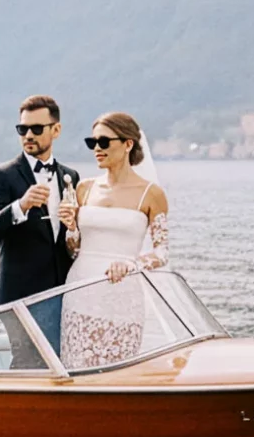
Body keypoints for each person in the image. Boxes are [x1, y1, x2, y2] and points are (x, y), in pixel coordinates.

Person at [58, 112, 170, 369]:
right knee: (76, 368)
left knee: (119, 371)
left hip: (123, 296)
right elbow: (73, 249)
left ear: (128, 144)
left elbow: (162, 253)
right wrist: (71, 227)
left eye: (104, 142)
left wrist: (131, 264)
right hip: (80, 291)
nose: (97, 148)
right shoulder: (84, 188)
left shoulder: (151, 194)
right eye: (92, 142)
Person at [0, 94, 81, 350]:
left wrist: (73, 229)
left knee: (61, 361)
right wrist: (19, 206)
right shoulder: (3, 176)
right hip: (19, 298)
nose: (28, 135)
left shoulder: (70, 176)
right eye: (22, 129)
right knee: (25, 365)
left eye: (36, 128)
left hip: (61, 295)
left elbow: (71, 241)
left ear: (56, 130)